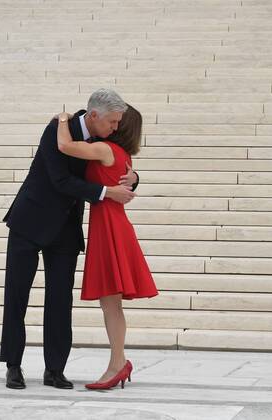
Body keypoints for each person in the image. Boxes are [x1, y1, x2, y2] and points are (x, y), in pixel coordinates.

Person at [0, 89, 140, 390]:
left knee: (60, 300)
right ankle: (13, 365)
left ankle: (55, 370)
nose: (115, 129)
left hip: (66, 228)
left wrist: (134, 179)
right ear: (94, 116)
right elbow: (61, 180)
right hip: (30, 220)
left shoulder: (105, 138)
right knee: (16, 296)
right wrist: (106, 193)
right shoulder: (57, 129)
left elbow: (118, 164)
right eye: (112, 123)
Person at [56, 104, 158, 390]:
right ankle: (118, 361)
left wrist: (64, 118)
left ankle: (117, 362)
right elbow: (126, 177)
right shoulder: (121, 154)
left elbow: (64, 145)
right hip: (110, 223)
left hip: (110, 225)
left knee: (110, 302)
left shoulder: (104, 149)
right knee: (110, 302)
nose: (111, 123)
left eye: (116, 120)